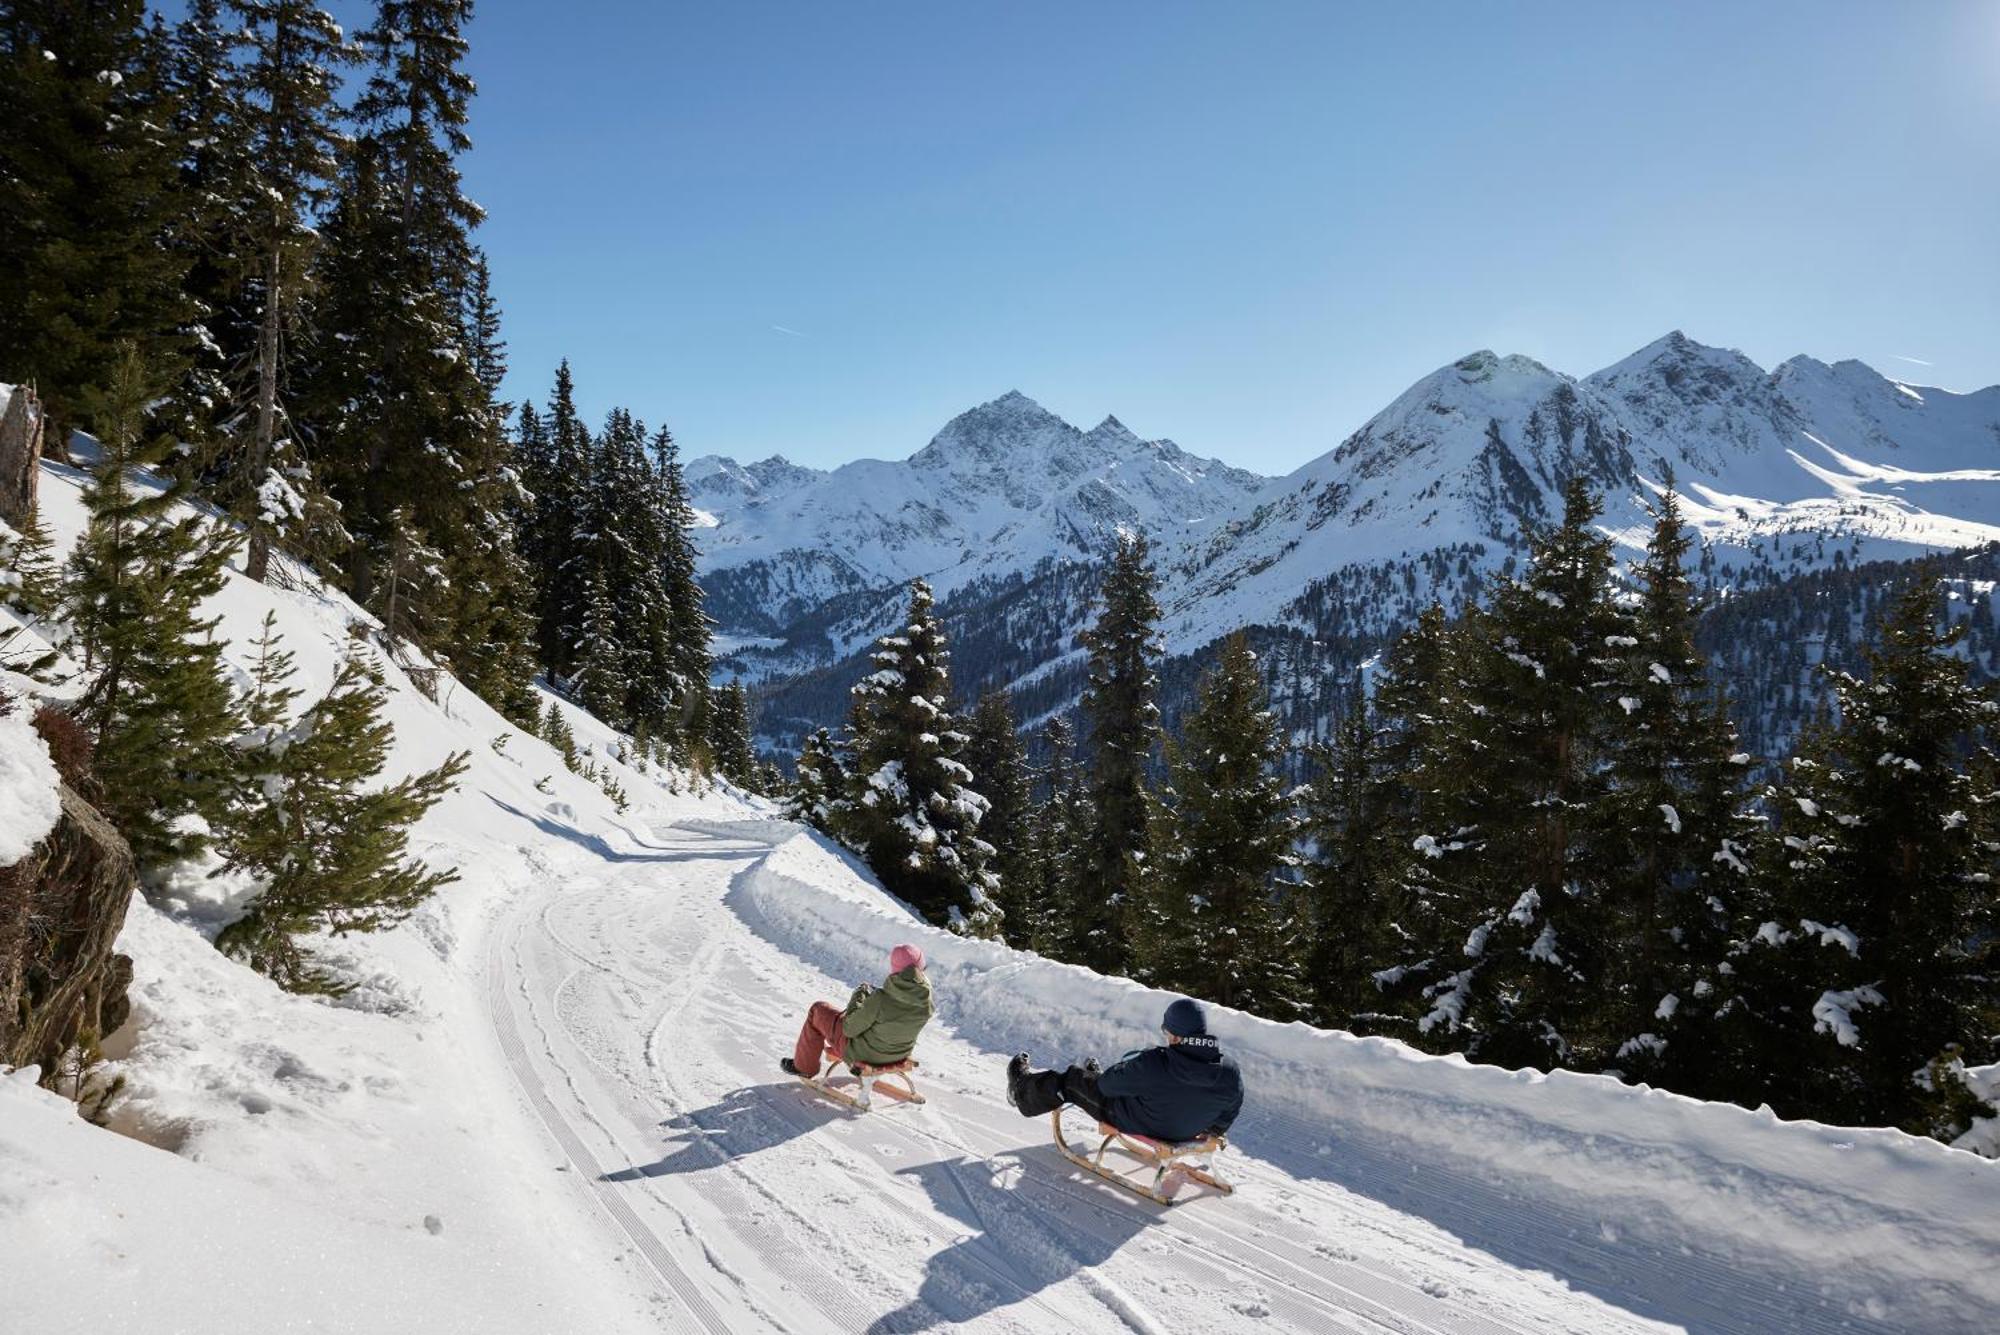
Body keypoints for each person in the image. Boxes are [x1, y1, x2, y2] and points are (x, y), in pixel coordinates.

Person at [1005, 997, 1242, 1143]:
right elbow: (1229, 1110)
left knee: (1072, 1080)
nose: (1166, 1036)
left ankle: (1020, 1091)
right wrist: (1214, 1130)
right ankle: (1097, 1075)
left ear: (1176, 1036)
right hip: (1185, 1132)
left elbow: (1106, 1086)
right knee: (1144, 1087)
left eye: (1167, 1032)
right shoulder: (1229, 1070)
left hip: (1135, 1120)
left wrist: (1130, 1067)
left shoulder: (1155, 1063)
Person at [781, 943, 934, 1078]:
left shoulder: (881, 998)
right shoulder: (926, 1002)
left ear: (895, 969)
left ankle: (804, 1068)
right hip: (899, 1054)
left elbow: (849, 1029)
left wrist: (859, 995)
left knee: (818, 1010)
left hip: (865, 1055)